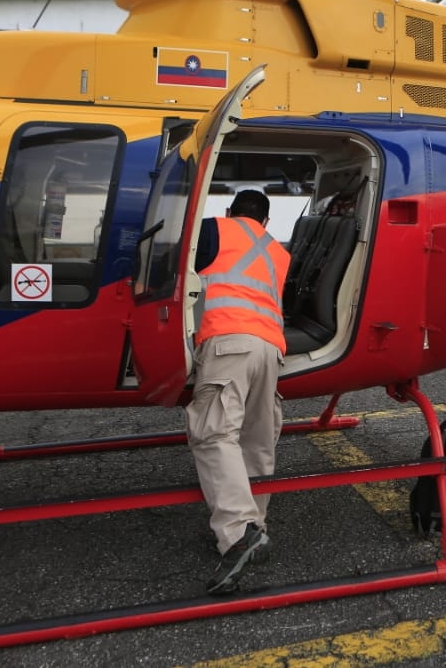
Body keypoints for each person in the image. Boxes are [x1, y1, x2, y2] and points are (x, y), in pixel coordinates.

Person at [186, 189, 291, 595]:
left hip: (228, 340)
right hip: (270, 349)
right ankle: (254, 526)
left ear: (230, 211)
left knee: (213, 432)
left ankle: (239, 532)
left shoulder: (215, 230)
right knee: (257, 439)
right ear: (265, 222)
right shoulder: (279, 253)